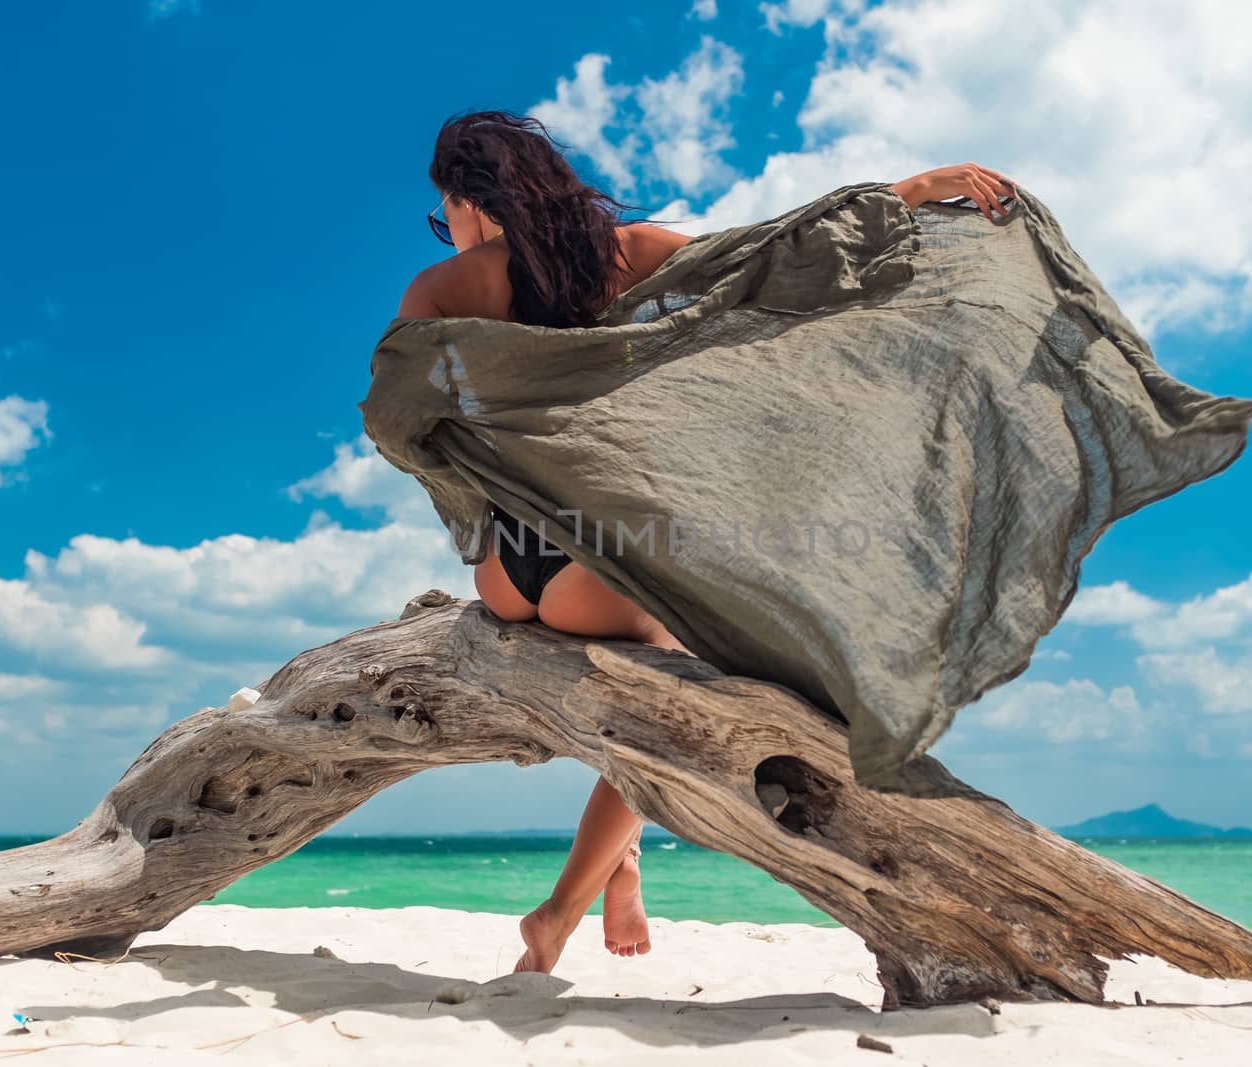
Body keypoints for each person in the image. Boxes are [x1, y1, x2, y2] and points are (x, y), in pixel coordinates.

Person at [394, 109, 1015, 976]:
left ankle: (628, 864)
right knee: (676, 670)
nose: (445, 230)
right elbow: (773, 259)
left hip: (505, 571)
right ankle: (560, 910)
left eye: (443, 212)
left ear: (468, 198)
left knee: (656, 667)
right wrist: (905, 195)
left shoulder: (439, 289)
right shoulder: (627, 250)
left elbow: (401, 418)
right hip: (591, 568)